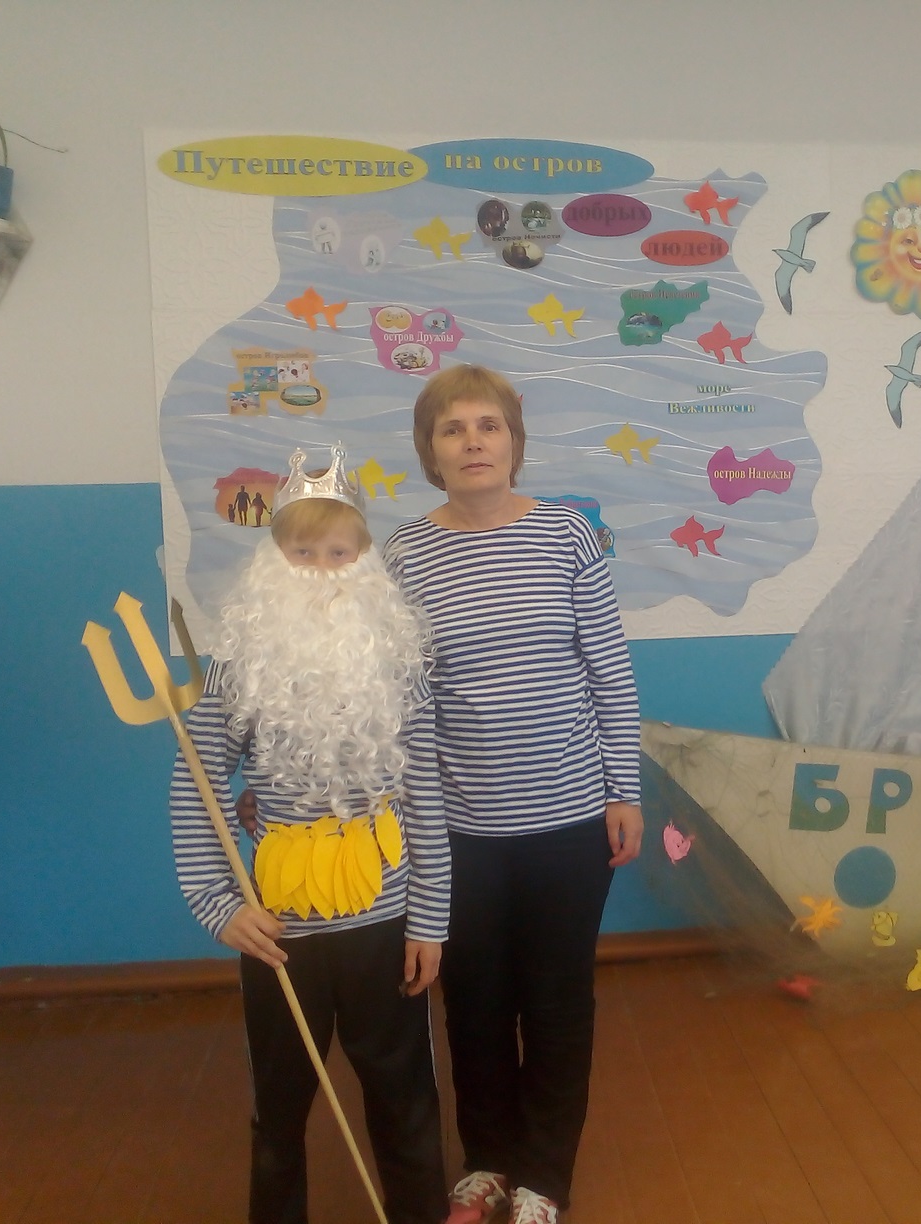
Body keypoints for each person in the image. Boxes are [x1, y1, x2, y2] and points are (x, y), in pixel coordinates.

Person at [383, 365, 644, 1224]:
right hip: (461, 830)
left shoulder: (568, 535)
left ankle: (545, 1177)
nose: (472, 442)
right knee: (476, 1004)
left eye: (487, 425)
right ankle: (487, 1161)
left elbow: (609, 672)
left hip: (570, 820)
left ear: (514, 442)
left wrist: (624, 788)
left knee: (558, 1004)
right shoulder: (403, 555)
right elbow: (403, 703)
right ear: (429, 450)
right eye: (452, 428)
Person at [170, 444, 450, 1224]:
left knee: (404, 1094)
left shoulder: (399, 665)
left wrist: (431, 919)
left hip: (385, 920)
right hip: (279, 928)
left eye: (338, 553)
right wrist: (219, 903)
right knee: (280, 1104)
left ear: (364, 561)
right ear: (275, 560)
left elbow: (425, 795)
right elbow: (198, 781)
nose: (321, 569)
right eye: (302, 553)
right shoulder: (239, 666)